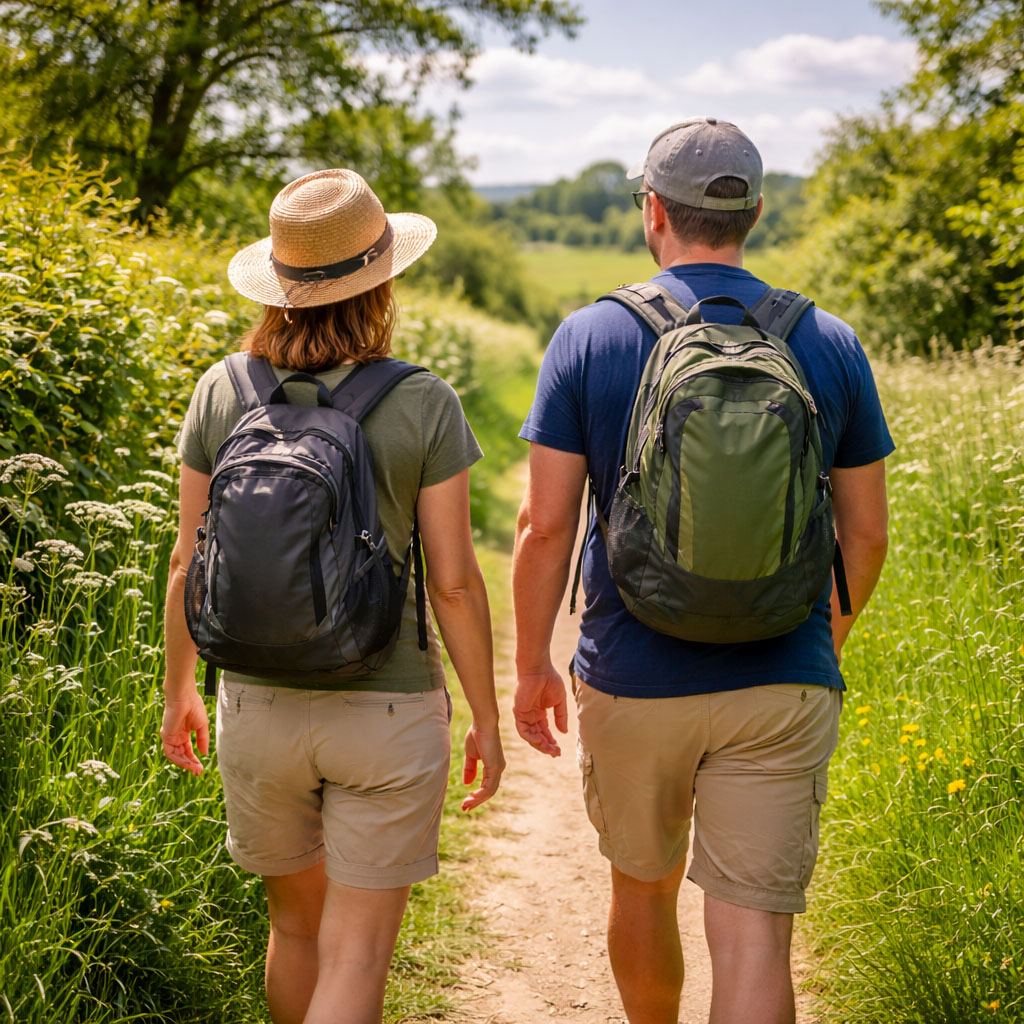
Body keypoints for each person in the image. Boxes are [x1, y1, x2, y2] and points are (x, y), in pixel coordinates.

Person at [512, 118, 892, 1024]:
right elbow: (867, 536)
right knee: (755, 932)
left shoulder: (590, 335)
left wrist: (530, 666)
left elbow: (544, 525)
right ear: (754, 213)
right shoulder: (829, 341)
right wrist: (819, 640)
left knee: (642, 891)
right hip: (782, 677)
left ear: (654, 210)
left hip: (634, 677)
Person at [160, 168, 505, 1024]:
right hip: (384, 713)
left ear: (279, 286)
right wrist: (488, 719)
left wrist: (177, 692)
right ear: (382, 278)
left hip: (256, 701)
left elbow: (185, 559)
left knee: (296, 932)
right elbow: (455, 582)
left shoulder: (223, 389)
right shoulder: (421, 399)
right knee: (356, 954)